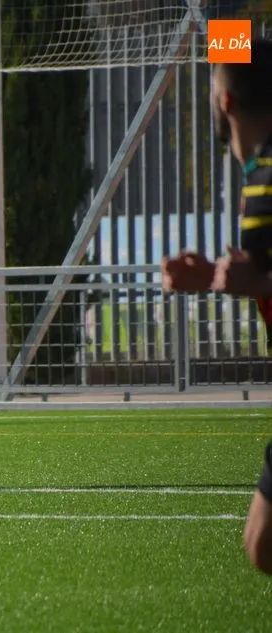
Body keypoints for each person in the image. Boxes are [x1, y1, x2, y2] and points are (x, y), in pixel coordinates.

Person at [160, 37, 272, 575]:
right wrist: (215, 277)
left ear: (224, 101)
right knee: (262, 544)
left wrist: (261, 280)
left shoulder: (267, 176)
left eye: (212, 83)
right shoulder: (258, 176)